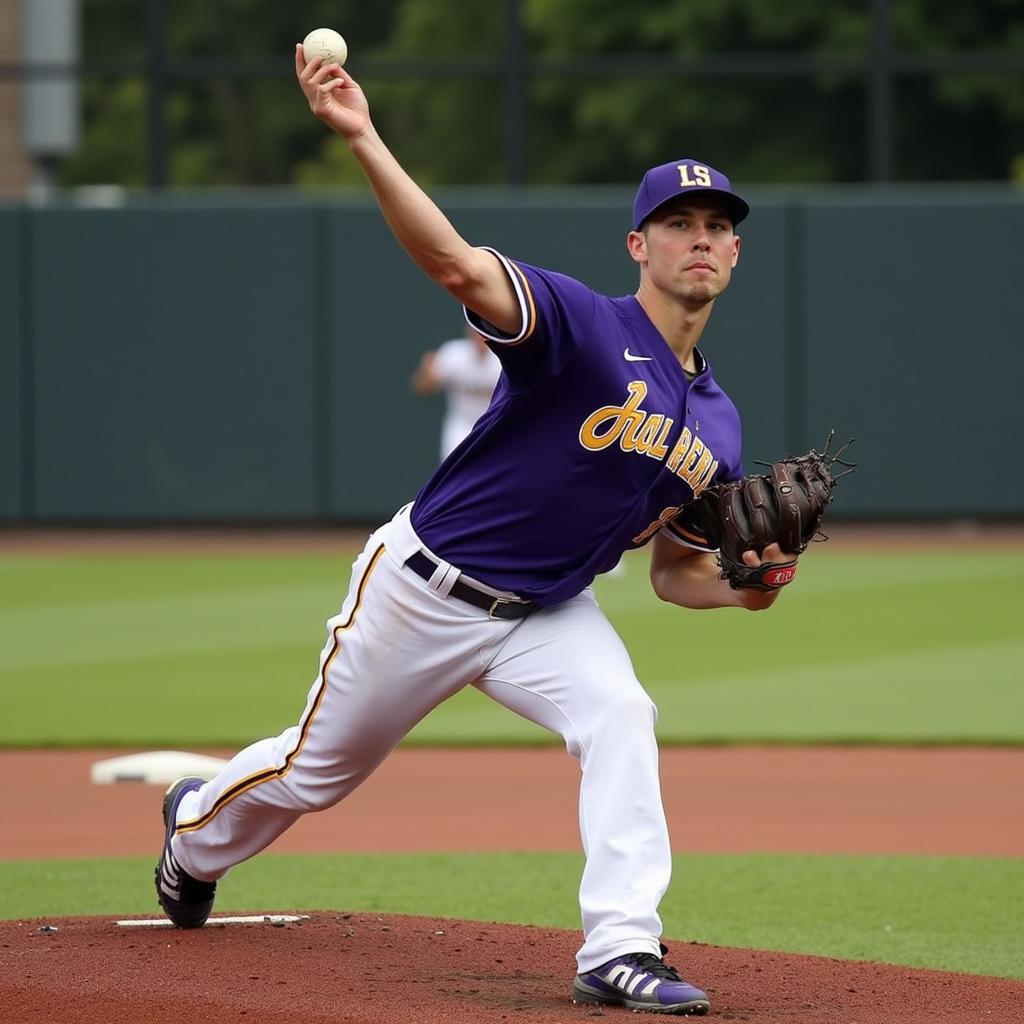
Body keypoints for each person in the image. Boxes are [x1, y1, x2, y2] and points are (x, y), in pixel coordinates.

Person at [154, 45, 802, 1018]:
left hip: (548, 611)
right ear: (639, 244)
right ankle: (191, 832)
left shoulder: (719, 423)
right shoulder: (582, 324)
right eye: (678, 223)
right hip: (424, 586)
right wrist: (363, 136)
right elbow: (454, 261)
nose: (699, 239)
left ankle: (619, 946)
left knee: (621, 714)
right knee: (313, 773)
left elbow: (675, 574)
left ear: (737, 253)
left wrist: (753, 586)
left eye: (717, 227)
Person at [410, 324, 502, 461]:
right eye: (476, 330)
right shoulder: (454, 355)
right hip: (461, 425)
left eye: (485, 330)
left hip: (495, 425)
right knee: (454, 471)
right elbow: (422, 388)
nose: (480, 335)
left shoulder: (502, 359)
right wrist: (427, 375)